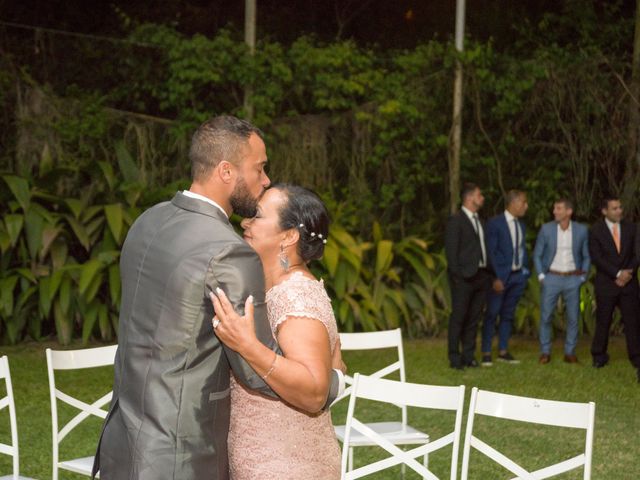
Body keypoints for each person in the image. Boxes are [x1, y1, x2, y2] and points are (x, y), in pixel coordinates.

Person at [92, 116, 343, 480]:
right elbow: (254, 373)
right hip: (181, 452)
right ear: (227, 171)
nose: (265, 179)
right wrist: (333, 378)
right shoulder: (227, 252)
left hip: (124, 438)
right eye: (259, 168)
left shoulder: (147, 221)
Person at [210, 184, 343, 479]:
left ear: (289, 236)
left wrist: (247, 345)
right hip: (258, 458)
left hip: (288, 464)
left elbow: (313, 392)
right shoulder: (270, 288)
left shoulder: (296, 293)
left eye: (257, 216)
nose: (245, 222)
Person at [589, 196, 640, 382]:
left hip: (629, 283)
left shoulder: (631, 227)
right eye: (614, 208)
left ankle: (636, 357)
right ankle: (599, 356)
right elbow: (597, 257)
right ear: (604, 211)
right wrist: (617, 273)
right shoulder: (595, 231)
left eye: (620, 207)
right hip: (607, 284)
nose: (619, 211)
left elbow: (637, 253)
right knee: (603, 321)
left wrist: (628, 273)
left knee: (633, 322)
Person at [533, 198, 590, 364]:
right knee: (546, 316)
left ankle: (570, 352)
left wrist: (582, 277)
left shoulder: (581, 230)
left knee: (573, 317)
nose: (554, 211)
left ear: (569, 211)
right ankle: (545, 351)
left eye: (558, 209)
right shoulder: (546, 229)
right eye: (554, 208)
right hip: (551, 277)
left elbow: (586, 256)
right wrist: (542, 276)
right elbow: (537, 254)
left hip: (573, 278)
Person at [444, 183, 492, 369]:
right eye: (480, 195)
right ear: (469, 197)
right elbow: (451, 250)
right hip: (464, 277)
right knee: (459, 317)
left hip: (481, 275)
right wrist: (457, 276)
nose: (482, 198)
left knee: (474, 318)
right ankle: (454, 357)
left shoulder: (479, 220)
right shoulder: (456, 220)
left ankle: (469, 355)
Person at [481, 189, 530, 366]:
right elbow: (490, 252)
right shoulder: (495, 223)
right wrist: (495, 277)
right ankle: (486, 352)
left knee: (508, 315)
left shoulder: (521, 225)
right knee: (492, 314)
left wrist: (525, 271)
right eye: (523, 202)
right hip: (500, 278)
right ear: (514, 202)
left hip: (517, 277)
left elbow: (522, 250)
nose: (526, 206)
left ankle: (503, 351)